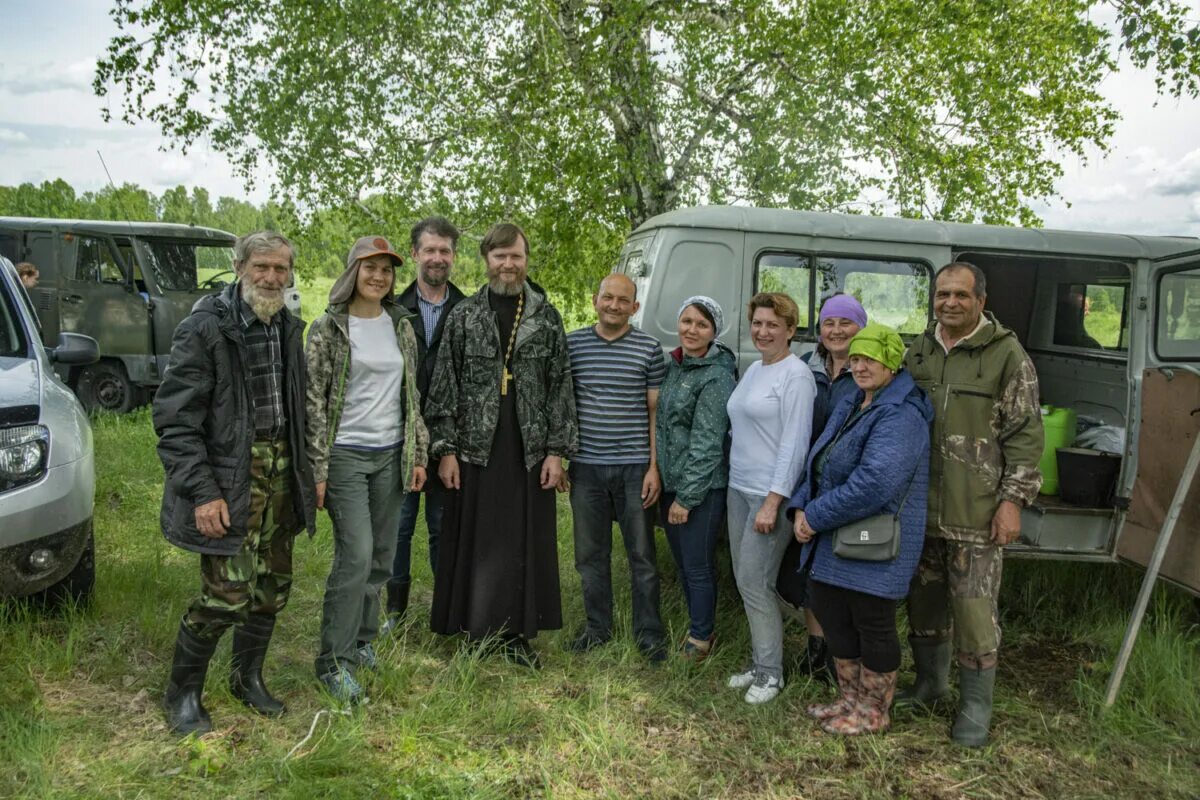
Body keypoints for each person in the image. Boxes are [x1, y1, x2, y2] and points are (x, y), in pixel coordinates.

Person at [153, 231, 317, 735]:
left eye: (281, 269)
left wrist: (309, 476)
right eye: (261, 267)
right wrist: (203, 492)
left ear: (290, 274)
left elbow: (297, 409)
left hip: (283, 472)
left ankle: (247, 680)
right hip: (231, 478)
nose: (271, 277)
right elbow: (176, 421)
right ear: (239, 266)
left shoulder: (287, 326)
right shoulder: (205, 328)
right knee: (225, 593)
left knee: (271, 588)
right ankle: (182, 695)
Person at [902, 261, 1043, 747]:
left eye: (960, 295)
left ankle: (975, 707)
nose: (950, 303)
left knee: (975, 613)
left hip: (976, 511)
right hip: (922, 510)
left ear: (981, 301)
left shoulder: (1006, 355)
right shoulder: (918, 350)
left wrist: (1013, 502)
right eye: (942, 295)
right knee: (924, 603)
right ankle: (930, 685)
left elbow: (1025, 435)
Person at [425, 222, 577, 668]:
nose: (508, 265)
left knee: (522, 541)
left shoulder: (546, 317)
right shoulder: (465, 316)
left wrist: (556, 451)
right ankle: (473, 630)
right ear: (486, 260)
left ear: (526, 261)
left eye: (516, 256)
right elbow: (443, 387)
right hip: (475, 448)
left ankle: (515, 634)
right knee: (475, 538)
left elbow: (560, 387)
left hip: (528, 450)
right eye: (499, 256)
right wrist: (446, 449)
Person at [788, 323, 932, 735]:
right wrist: (800, 505)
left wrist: (814, 516)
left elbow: (875, 484)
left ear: (891, 363)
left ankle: (873, 712)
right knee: (834, 615)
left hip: (874, 538)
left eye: (871, 358)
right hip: (836, 534)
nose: (861, 365)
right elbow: (818, 459)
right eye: (855, 358)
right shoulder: (854, 400)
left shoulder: (903, 414)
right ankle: (849, 699)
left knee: (872, 623)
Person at [305, 236, 429, 704]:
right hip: (345, 457)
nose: (378, 276)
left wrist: (418, 454)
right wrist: (317, 468)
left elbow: (410, 394)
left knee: (381, 555)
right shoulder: (328, 328)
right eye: (369, 267)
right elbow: (314, 402)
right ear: (352, 271)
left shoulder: (401, 326)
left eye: (387, 269)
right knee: (354, 555)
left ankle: (362, 642)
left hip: (390, 454)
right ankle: (332, 661)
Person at [565, 273, 668, 661]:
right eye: (607, 297)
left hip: (634, 468)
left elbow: (654, 413)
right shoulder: (572, 345)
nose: (614, 305)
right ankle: (597, 628)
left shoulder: (648, 349)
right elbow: (562, 405)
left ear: (634, 307)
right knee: (590, 555)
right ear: (595, 299)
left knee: (641, 556)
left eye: (623, 300)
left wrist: (653, 467)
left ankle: (649, 634)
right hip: (586, 467)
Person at [725, 292, 816, 703]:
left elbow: (794, 445)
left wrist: (773, 502)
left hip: (768, 493)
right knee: (747, 582)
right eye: (757, 323)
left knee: (755, 582)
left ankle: (771, 674)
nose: (763, 331)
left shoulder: (796, 376)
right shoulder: (753, 370)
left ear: (791, 330)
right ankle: (760, 659)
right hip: (738, 487)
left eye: (773, 325)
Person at [779, 292, 869, 680]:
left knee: (842, 573)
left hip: (847, 486)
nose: (836, 330)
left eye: (845, 323)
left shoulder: (866, 370)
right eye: (829, 322)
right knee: (808, 572)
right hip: (807, 482)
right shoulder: (804, 366)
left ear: (861, 328)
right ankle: (816, 652)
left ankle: (841, 655)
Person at [385, 216, 466, 627]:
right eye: (430, 250)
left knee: (442, 528)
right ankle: (394, 611)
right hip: (401, 439)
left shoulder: (469, 311)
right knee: (398, 529)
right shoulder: (393, 311)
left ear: (454, 257)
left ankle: (446, 608)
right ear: (414, 253)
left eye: (445, 251)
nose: (437, 258)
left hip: (450, 440)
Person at [656, 296, 737, 662]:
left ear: (714, 332)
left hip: (700, 489)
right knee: (683, 563)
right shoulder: (675, 366)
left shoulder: (716, 375)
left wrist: (686, 499)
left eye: (701, 325)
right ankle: (695, 624)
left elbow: (707, 443)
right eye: (687, 321)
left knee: (698, 565)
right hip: (669, 482)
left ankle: (702, 637)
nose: (692, 330)